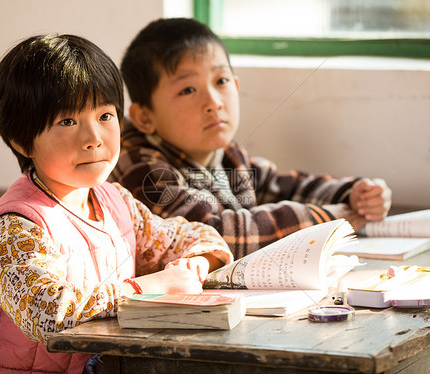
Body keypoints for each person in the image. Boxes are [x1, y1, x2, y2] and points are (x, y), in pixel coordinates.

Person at [0, 34, 232, 374]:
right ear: (22, 140)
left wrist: (194, 267)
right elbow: (48, 315)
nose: (93, 139)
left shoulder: (114, 201)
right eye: (68, 122)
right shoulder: (17, 224)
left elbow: (193, 237)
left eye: (105, 116)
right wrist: (151, 286)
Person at [110, 17, 392, 259]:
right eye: (187, 90)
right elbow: (213, 234)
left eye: (221, 82)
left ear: (236, 85)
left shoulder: (227, 154)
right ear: (145, 117)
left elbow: (282, 185)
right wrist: (329, 219)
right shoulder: (137, 162)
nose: (213, 102)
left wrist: (355, 194)